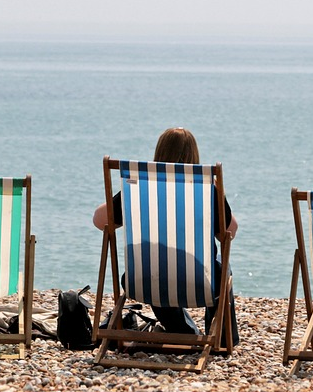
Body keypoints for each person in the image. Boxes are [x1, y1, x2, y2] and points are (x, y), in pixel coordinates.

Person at [93, 127, 239, 346]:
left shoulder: (139, 188)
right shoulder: (206, 188)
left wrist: (126, 195)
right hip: (201, 282)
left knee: (157, 268)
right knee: (222, 270)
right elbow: (230, 232)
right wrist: (219, 197)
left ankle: (183, 332)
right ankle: (223, 339)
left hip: (142, 280)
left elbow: (99, 220)